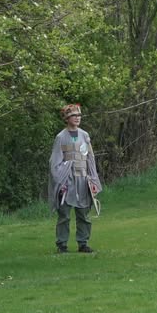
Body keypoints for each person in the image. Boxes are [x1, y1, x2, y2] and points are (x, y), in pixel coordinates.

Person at [48, 104, 102, 253]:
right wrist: (61, 181)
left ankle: (83, 243)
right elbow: (55, 162)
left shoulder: (85, 135)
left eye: (79, 115)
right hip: (67, 182)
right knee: (64, 215)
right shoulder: (60, 137)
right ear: (67, 118)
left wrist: (92, 179)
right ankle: (62, 245)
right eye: (74, 116)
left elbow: (90, 158)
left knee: (84, 214)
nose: (77, 118)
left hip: (83, 180)